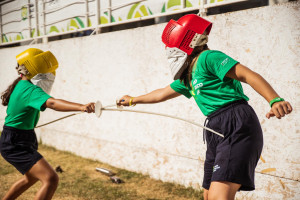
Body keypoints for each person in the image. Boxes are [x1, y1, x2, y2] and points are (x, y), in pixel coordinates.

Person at [118, 14, 293, 200]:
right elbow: (161, 93)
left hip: (235, 122)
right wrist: (133, 99)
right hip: (214, 129)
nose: (168, 48)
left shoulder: (209, 57)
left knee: (220, 196)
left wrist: (274, 100)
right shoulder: (188, 76)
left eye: (170, 44)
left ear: (185, 41)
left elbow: (247, 75)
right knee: (209, 195)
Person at [0, 48, 95, 200]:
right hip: (15, 142)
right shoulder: (29, 90)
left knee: (30, 178)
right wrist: (81, 106)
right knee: (51, 178)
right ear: (35, 68)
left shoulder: (22, 84)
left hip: (20, 137)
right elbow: (52, 103)